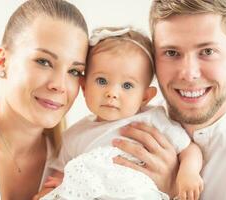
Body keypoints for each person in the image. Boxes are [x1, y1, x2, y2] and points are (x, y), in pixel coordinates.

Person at [110, 0, 226, 200]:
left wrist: (171, 192)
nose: (188, 74)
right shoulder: (127, 130)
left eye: (207, 52)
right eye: (171, 53)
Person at [40, 27, 203, 200]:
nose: (112, 93)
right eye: (102, 81)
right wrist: (57, 185)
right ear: (84, 87)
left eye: (127, 86)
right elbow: (62, 172)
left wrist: (189, 173)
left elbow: (189, 149)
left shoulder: (152, 120)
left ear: (145, 97)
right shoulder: (74, 135)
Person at [0, 0, 88, 199]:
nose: (59, 85)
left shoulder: (71, 166)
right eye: (44, 62)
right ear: (2, 61)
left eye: (74, 71)